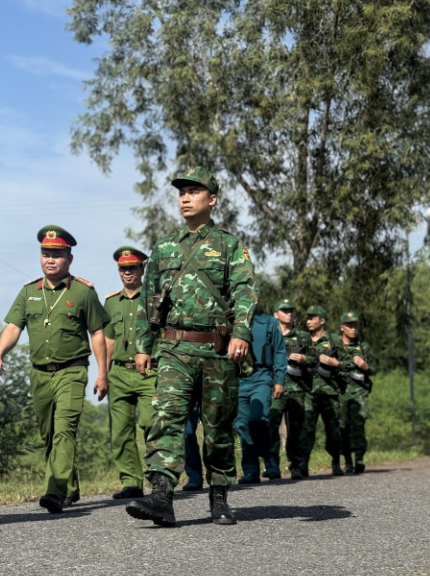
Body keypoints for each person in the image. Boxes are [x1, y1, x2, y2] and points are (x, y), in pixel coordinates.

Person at [126, 166, 257, 527]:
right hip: (174, 349)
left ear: (211, 199)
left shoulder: (230, 245)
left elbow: (245, 291)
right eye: (181, 191)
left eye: (194, 191)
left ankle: (219, 497)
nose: (185, 197)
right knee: (165, 418)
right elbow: (149, 300)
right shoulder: (165, 247)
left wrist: (242, 333)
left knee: (217, 428)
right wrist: (143, 345)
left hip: (217, 349)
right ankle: (161, 497)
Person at [0, 226, 109, 514]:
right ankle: (71, 486)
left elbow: (98, 335)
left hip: (72, 371)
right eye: (45, 254)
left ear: (69, 257)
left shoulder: (83, 292)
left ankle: (55, 491)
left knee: (65, 430)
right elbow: (14, 327)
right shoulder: (28, 292)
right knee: (49, 433)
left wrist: (103, 373)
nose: (50, 260)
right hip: (39, 373)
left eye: (57, 254)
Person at [103, 246, 156, 500]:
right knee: (121, 431)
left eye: (132, 268)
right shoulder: (111, 301)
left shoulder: (154, 298)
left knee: (150, 423)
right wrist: (103, 373)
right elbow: (108, 341)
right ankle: (131, 482)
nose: (127, 273)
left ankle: (158, 476)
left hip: (149, 372)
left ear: (142, 270)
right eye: (123, 269)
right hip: (119, 373)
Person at [235, 312, 286, 483]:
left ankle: (268, 457)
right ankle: (251, 470)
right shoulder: (229, 320)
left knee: (257, 419)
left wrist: (279, 380)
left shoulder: (269, 322)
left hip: (262, 376)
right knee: (242, 424)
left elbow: (279, 350)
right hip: (238, 378)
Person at [267, 299, 314, 480]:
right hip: (275, 388)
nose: (289, 314)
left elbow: (315, 360)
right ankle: (272, 466)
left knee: (296, 430)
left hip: (297, 389)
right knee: (271, 429)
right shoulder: (270, 334)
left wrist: (304, 359)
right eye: (284, 311)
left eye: (292, 311)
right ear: (275, 314)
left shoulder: (302, 336)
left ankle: (297, 466)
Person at [300, 305, 344, 477]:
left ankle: (336, 462)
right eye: (307, 318)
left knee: (333, 429)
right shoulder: (303, 340)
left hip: (329, 392)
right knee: (307, 428)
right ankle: (303, 463)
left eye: (313, 318)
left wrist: (335, 363)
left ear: (322, 320)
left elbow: (347, 364)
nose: (308, 321)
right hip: (309, 392)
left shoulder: (334, 341)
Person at [336, 311, 378, 474]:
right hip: (341, 391)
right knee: (342, 426)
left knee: (358, 424)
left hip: (359, 391)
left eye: (356, 325)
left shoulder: (364, 347)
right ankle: (347, 461)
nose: (353, 329)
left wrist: (364, 366)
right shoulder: (335, 346)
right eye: (349, 325)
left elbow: (374, 369)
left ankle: (359, 458)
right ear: (342, 327)